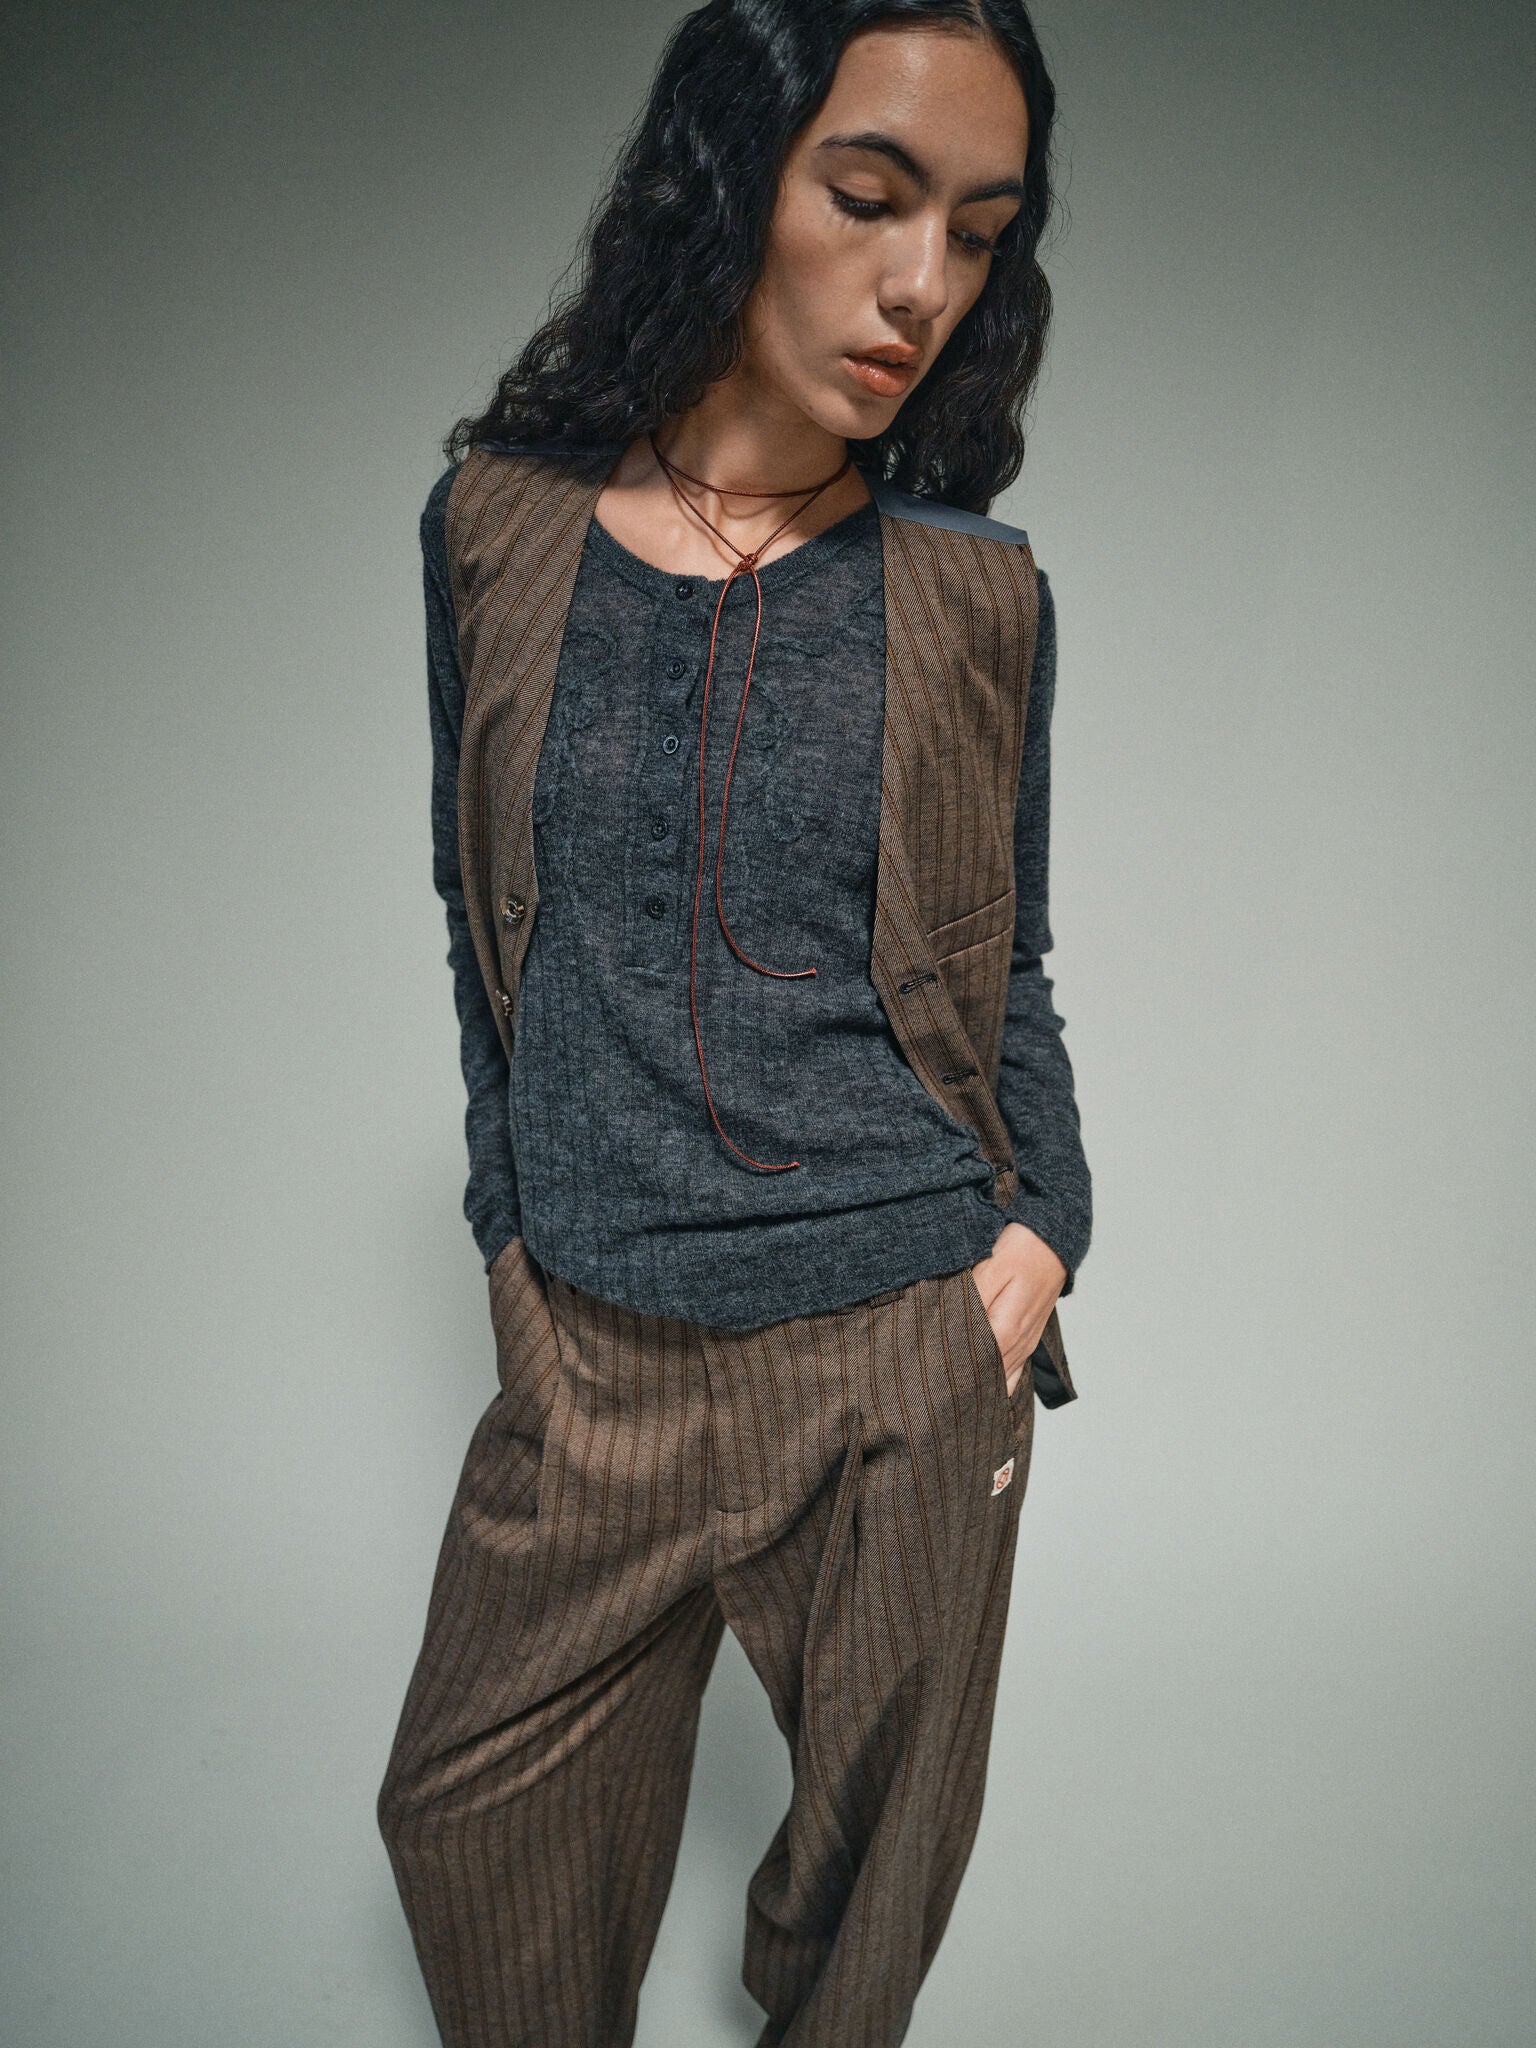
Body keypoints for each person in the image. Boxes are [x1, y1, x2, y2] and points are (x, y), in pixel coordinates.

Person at [377, 3, 1092, 2042]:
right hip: (593, 1348)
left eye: (978, 233)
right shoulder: (497, 529)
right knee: (466, 1816)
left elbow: (1010, 958)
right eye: (870, 196)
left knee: (868, 1900)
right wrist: (512, 1231)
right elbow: (480, 923)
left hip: (899, 1343)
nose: (922, 285)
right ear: (729, 179)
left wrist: (1044, 1232)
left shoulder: (977, 596)